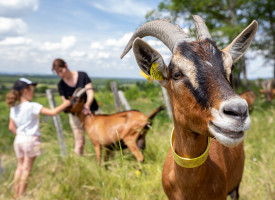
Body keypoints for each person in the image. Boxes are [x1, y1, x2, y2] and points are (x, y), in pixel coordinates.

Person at [6, 77, 71, 198]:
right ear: (25, 90)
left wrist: (21, 135)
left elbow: (11, 127)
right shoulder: (32, 106)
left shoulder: (13, 108)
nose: (33, 92)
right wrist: (66, 103)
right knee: (26, 169)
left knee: (19, 167)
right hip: (30, 139)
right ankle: (21, 195)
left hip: (18, 140)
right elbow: (53, 112)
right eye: (31, 90)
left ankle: (16, 193)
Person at [52, 58, 99, 155]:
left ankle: (103, 160)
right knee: (79, 142)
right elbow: (66, 102)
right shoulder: (61, 85)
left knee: (101, 138)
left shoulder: (82, 75)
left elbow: (90, 91)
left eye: (61, 70)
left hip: (92, 111)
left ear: (66, 65)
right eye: (57, 73)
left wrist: (87, 105)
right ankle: (78, 164)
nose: (61, 74)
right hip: (76, 116)